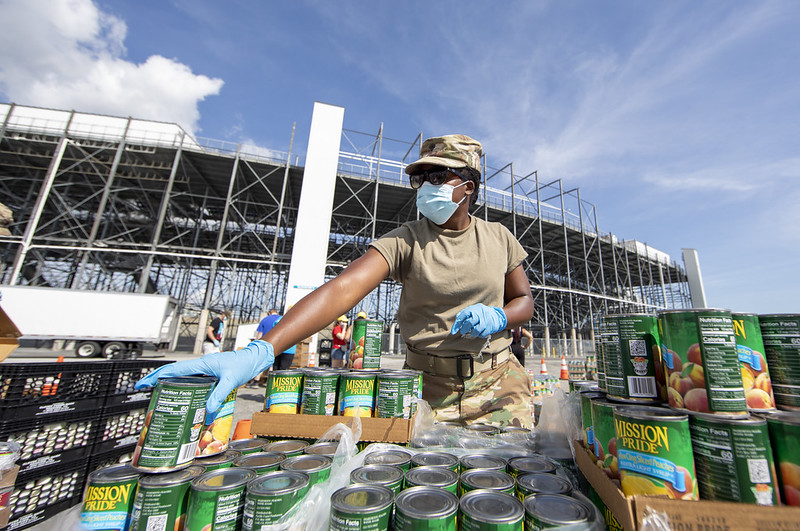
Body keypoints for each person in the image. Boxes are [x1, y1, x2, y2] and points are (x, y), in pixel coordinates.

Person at [137, 134, 534, 427]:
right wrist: (261, 350)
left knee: (506, 487)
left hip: (498, 382)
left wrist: (499, 317)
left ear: (468, 185)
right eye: (421, 178)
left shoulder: (499, 238)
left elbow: (524, 301)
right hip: (426, 390)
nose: (426, 185)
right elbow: (342, 289)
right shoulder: (405, 241)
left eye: (438, 176)